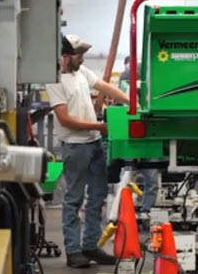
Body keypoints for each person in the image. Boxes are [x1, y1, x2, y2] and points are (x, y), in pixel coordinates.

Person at [46, 35, 130, 268]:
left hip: (93, 144)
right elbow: (64, 119)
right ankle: (73, 251)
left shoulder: (81, 73)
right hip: (75, 146)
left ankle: (91, 246)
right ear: (64, 57)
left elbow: (105, 87)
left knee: (97, 197)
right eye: (78, 55)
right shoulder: (54, 81)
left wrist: (132, 102)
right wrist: (100, 126)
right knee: (74, 199)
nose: (82, 59)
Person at [118, 56, 160, 213]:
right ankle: (125, 210)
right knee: (128, 175)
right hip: (133, 133)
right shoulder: (125, 78)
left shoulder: (151, 83)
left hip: (150, 134)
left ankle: (146, 211)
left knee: (150, 177)